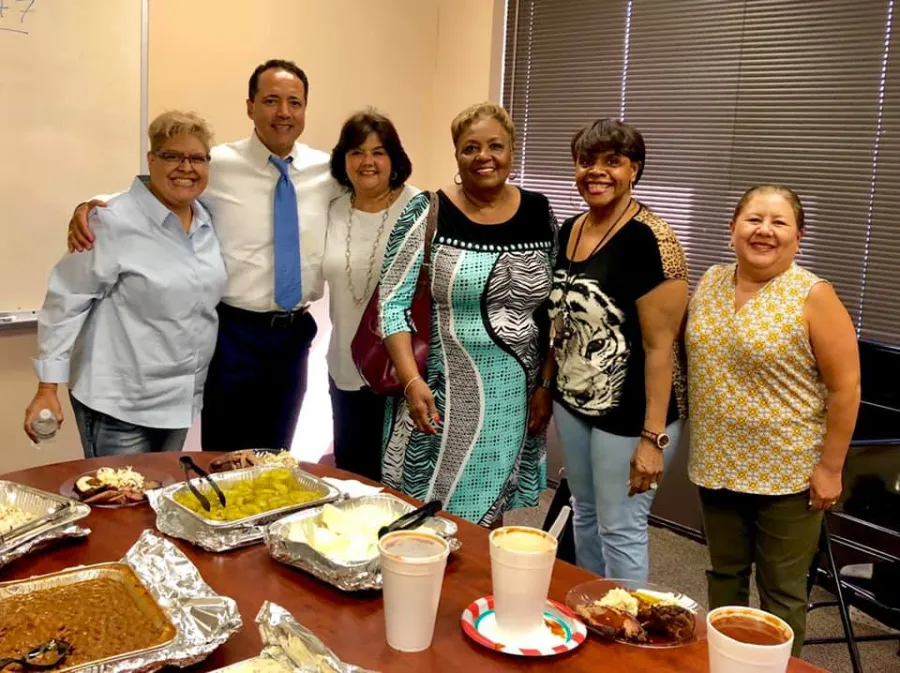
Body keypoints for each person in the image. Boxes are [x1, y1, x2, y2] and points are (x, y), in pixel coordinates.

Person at [66, 59, 336, 453]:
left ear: (305, 109)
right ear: (250, 107)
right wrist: (93, 204)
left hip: (293, 334)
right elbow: (154, 190)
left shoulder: (327, 171)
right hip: (233, 333)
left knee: (277, 456)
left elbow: (378, 188)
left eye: (294, 102)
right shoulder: (217, 163)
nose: (283, 113)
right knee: (223, 455)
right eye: (271, 100)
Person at [686, 184, 860, 654]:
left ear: (798, 237)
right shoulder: (710, 281)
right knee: (723, 576)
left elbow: (846, 388)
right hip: (718, 464)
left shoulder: (812, 295)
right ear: (732, 229)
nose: (764, 230)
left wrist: (830, 468)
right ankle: (724, 662)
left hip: (787, 474)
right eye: (753, 219)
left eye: (779, 222)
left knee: (781, 591)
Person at [378, 102, 556, 527]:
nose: (484, 157)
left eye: (496, 146)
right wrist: (411, 381)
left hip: (515, 394)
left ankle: (474, 594)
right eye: (470, 147)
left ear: (512, 151)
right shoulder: (428, 211)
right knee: (427, 514)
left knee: (489, 516)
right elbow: (391, 305)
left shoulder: (539, 213)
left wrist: (545, 384)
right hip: (439, 392)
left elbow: (554, 310)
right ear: (456, 155)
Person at [536, 118, 689, 581]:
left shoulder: (652, 240)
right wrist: (546, 384)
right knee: (583, 512)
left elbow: (662, 348)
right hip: (574, 399)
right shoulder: (570, 229)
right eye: (586, 162)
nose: (596, 172)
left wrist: (652, 439)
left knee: (621, 526)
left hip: (633, 414)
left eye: (612, 162)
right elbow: (558, 321)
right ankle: (595, 615)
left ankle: (628, 635)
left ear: (634, 170)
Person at [25, 111, 226, 457]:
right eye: (172, 156)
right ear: (151, 159)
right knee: (119, 505)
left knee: (158, 500)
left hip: (179, 401)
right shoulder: (111, 220)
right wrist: (47, 386)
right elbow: (66, 301)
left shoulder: (208, 220)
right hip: (118, 404)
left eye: (196, 158)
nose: (186, 167)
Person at [324, 110, 419, 481]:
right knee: (351, 477)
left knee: (398, 483)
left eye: (378, 152)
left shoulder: (420, 208)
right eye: (356, 152)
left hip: (403, 369)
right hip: (344, 366)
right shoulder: (332, 209)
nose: (367, 162)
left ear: (394, 159)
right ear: (343, 159)